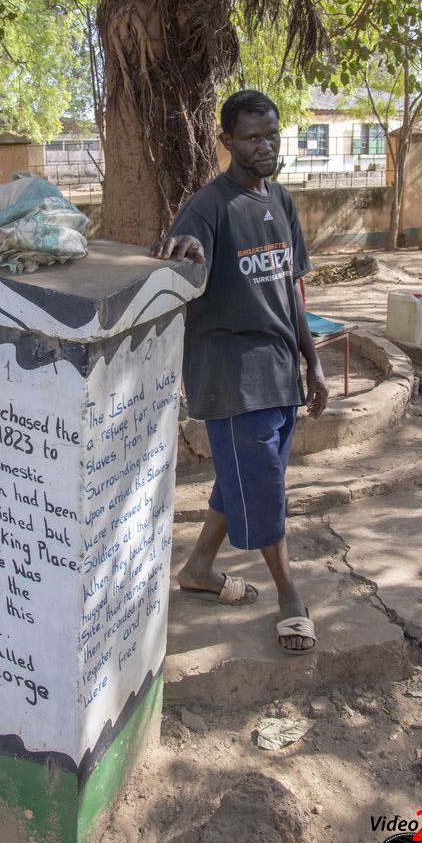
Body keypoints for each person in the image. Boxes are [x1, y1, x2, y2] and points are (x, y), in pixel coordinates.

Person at [150, 90, 328, 654]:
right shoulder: (208, 207)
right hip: (232, 376)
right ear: (227, 141)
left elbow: (292, 291)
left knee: (244, 478)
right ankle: (289, 595)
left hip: (279, 371)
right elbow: (183, 250)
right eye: (252, 138)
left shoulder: (282, 201)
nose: (265, 146)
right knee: (265, 486)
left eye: (271, 134)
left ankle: (200, 567)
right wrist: (183, 250)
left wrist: (314, 362)